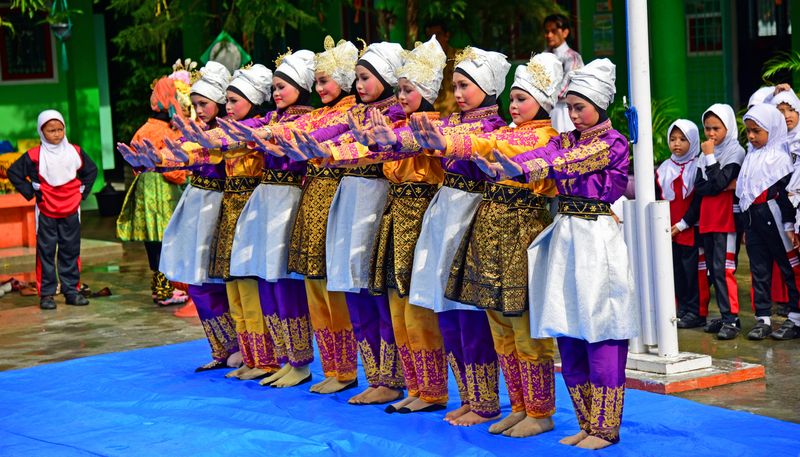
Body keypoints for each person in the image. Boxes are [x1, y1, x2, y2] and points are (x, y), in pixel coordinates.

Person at [484, 58, 636, 449]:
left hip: (596, 238)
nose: (572, 114)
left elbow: (562, 162)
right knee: (568, 327)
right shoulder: (564, 138)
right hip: (566, 235)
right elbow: (547, 155)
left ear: (599, 105)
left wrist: (519, 168)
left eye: (579, 107)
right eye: (568, 107)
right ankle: (586, 422)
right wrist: (513, 164)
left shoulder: (611, 142)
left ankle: (606, 427)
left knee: (601, 328)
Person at [436, 53, 563, 437]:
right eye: (513, 99)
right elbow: (476, 141)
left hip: (522, 235)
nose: (514, 105)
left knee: (524, 327)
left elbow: (534, 166)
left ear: (542, 101)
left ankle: (541, 412)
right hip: (489, 235)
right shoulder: (503, 133)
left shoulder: (549, 137)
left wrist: (493, 154)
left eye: (522, 99)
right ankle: (520, 405)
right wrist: (436, 139)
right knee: (500, 328)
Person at [322, 36, 450, 412]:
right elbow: (352, 142)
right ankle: (394, 381)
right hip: (391, 215)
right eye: (400, 89)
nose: (360, 86)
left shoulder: (428, 126)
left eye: (406, 89)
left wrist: (364, 145)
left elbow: (391, 145)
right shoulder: (389, 121)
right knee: (390, 302)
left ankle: (425, 388)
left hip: (410, 214)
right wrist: (319, 149)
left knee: (413, 304)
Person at [8, 110, 97, 310]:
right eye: (51, 130)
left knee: (70, 250)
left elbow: (91, 171)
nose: (56, 134)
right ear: (41, 132)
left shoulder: (75, 151)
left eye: (60, 129)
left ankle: (71, 292)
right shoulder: (34, 155)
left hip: (72, 209)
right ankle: (46, 295)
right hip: (46, 209)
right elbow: (14, 172)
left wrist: (82, 192)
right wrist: (31, 190)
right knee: (46, 252)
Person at [116, 75, 191, 306]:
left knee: (154, 240)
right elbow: (176, 167)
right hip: (163, 187)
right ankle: (166, 290)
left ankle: (160, 288)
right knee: (167, 237)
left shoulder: (144, 128)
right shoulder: (169, 131)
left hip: (144, 185)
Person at [737, 104, 800, 340]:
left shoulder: (781, 158)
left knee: (788, 267)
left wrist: (788, 225)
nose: (751, 136)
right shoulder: (751, 157)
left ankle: (795, 318)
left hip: (776, 219)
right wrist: (745, 224)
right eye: (749, 132)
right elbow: (744, 193)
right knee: (759, 269)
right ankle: (762, 318)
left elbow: (785, 195)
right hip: (754, 220)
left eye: (756, 131)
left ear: (772, 129)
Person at [693, 104, 745, 340]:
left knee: (724, 269)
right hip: (708, 216)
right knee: (713, 270)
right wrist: (717, 181)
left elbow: (716, 182)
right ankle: (725, 315)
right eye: (707, 128)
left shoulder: (736, 152)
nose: (711, 134)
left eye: (716, 128)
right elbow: (702, 187)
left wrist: (711, 157)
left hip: (726, 218)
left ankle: (732, 319)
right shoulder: (705, 153)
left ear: (728, 127)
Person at [656, 120, 706, 328]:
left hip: (688, 228)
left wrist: (683, 224)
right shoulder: (664, 167)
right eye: (673, 139)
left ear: (693, 141)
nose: (677, 144)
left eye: (683, 139)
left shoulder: (698, 166)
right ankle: (682, 308)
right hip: (669, 230)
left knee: (691, 272)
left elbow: (698, 201)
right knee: (675, 271)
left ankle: (695, 311)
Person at [543, 13, 584, 133]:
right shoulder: (543, 56)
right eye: (547, 31)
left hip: (564, 111)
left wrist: (543, 96)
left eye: (554, 31)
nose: (549, 35)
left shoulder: (573, 58)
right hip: (546, 110)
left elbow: (565, 89)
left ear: (565, 32)